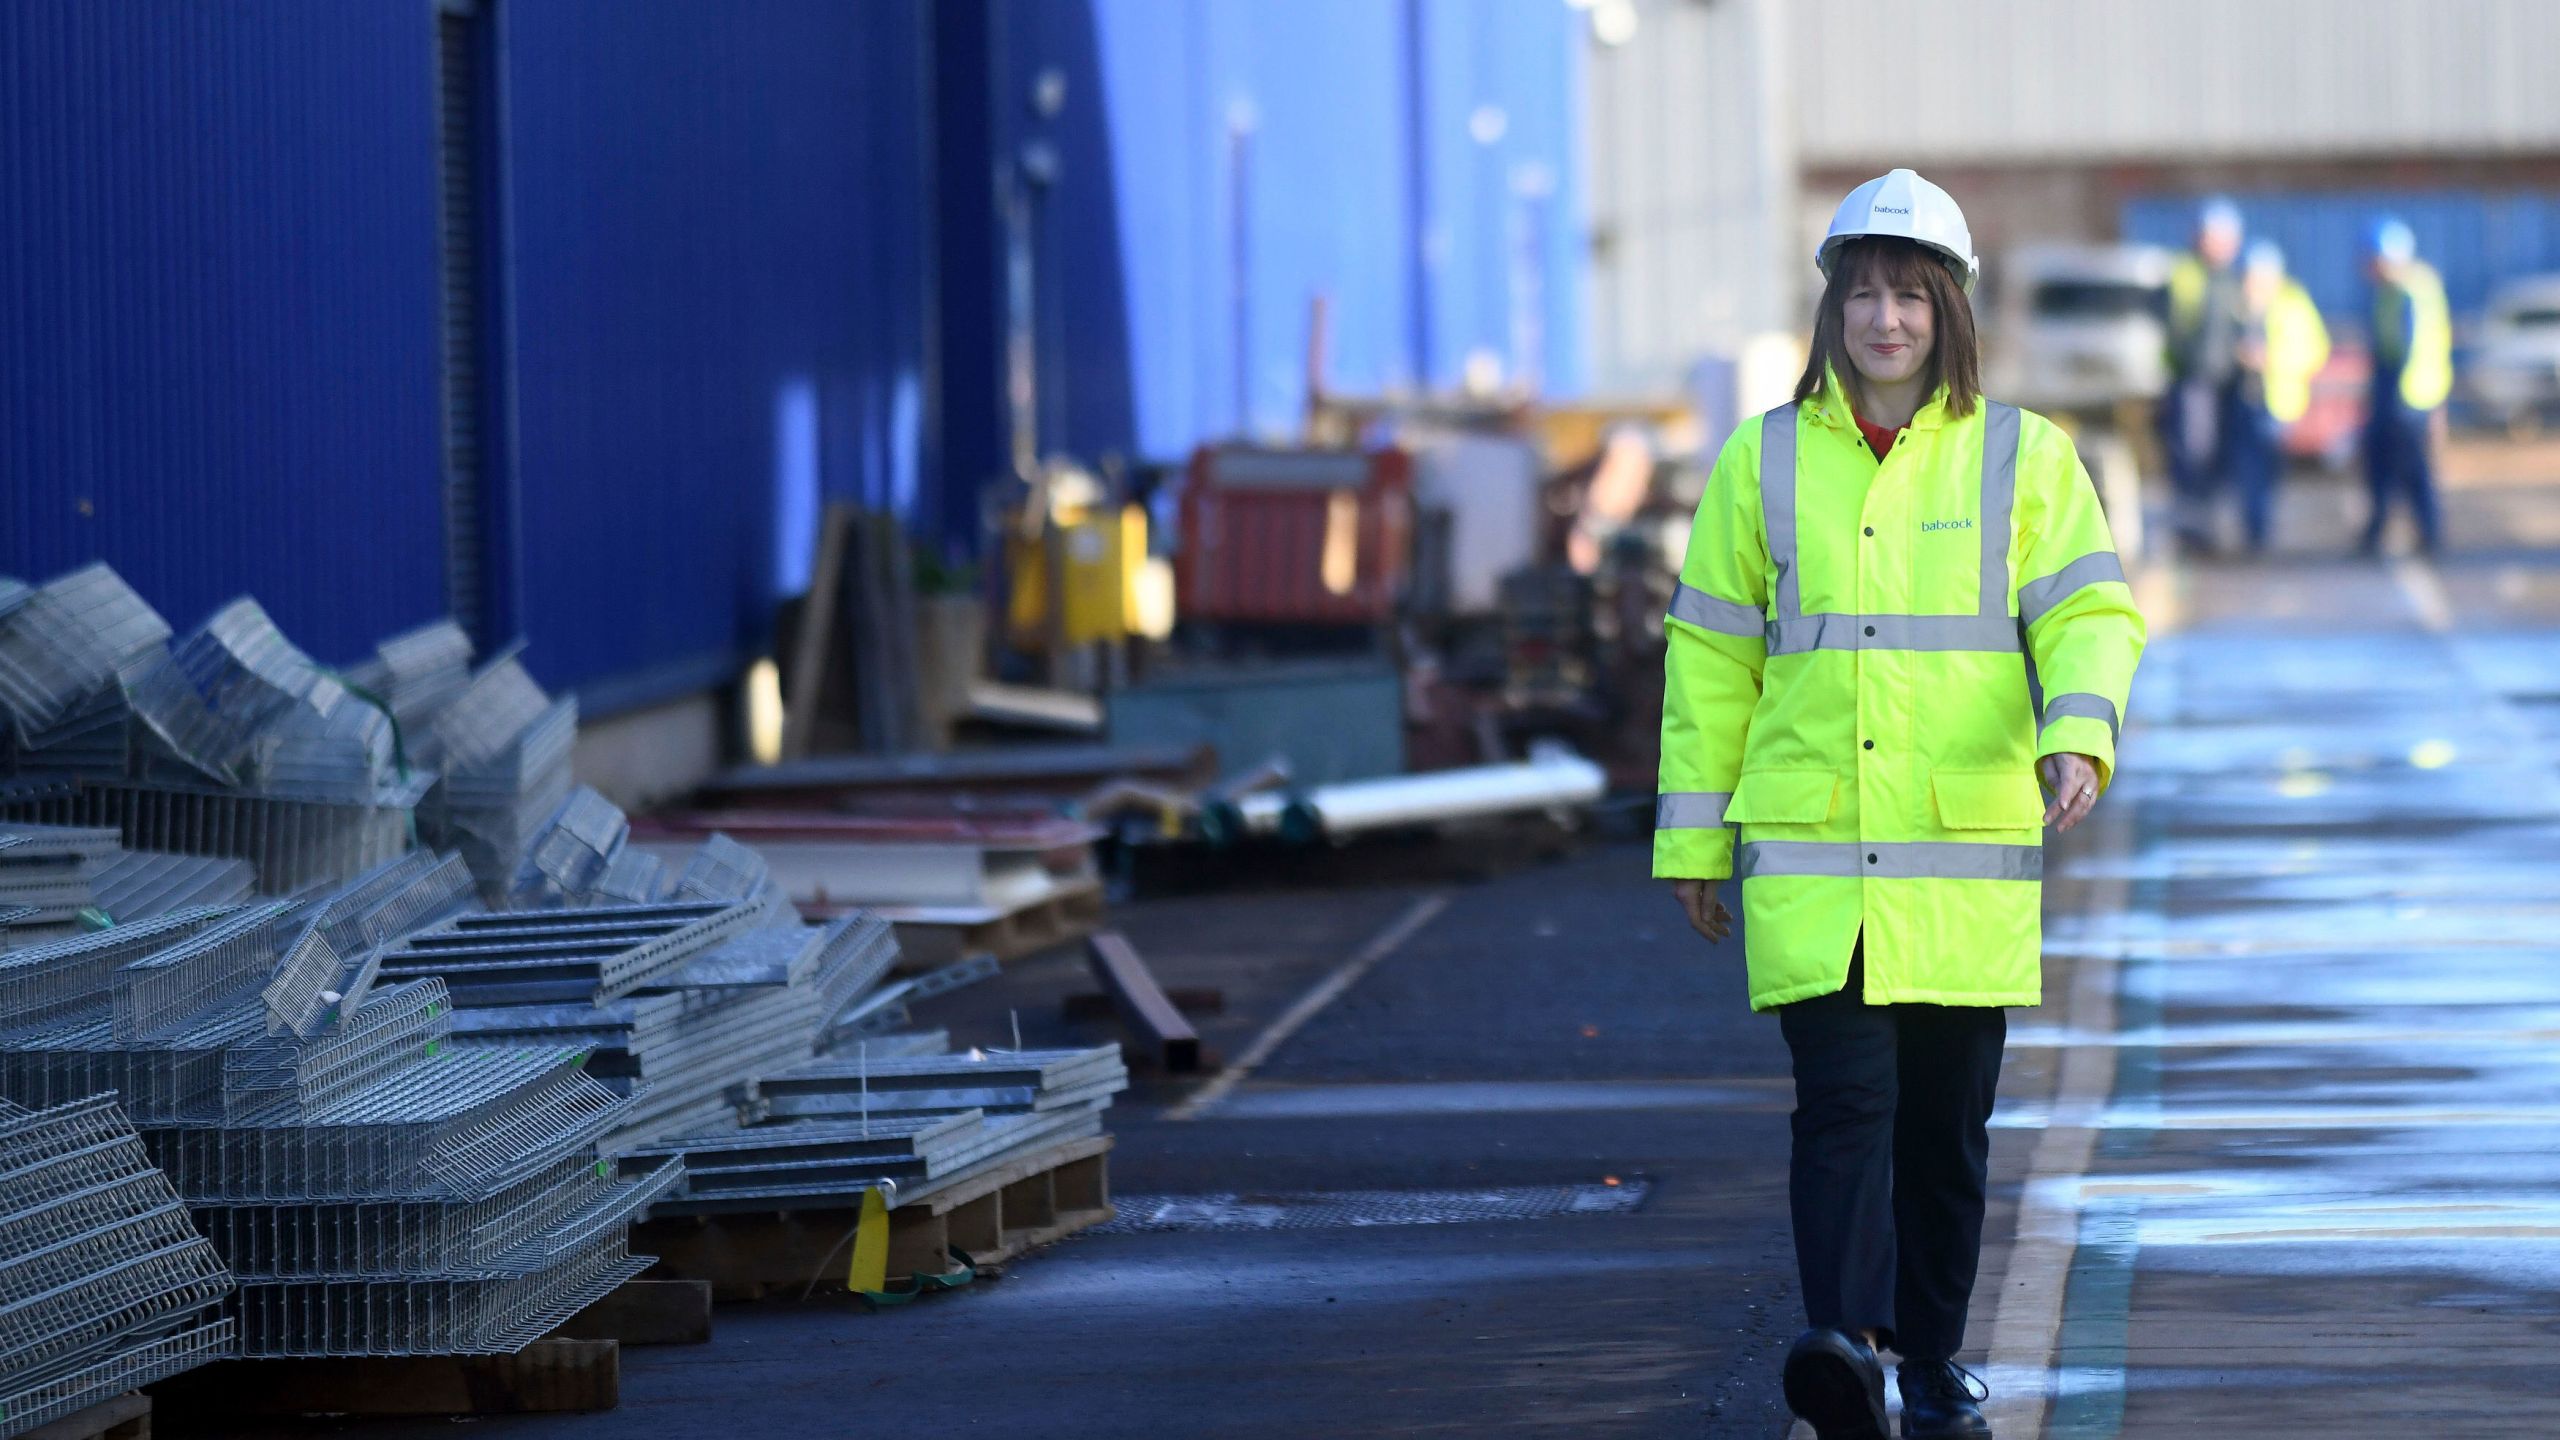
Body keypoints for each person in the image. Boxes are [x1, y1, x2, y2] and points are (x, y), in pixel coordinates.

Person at [1655, 168, 2146, 1440]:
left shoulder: (2022, 457)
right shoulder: (1760, 461)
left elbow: (2092, 612)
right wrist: (1693, 841)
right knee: (1842, 1111)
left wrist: (2078, 734)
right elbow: (1712, 662)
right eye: (1862, 293)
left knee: (1943, 1132)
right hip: (1813, 855)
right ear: (1830, 307)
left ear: (1949, 309)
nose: (1884, 319)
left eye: (1908, 296)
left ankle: (1929, 1356)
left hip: (1961, 861)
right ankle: (1844, 1348)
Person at [2161, 197, 2251, 555]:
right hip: (2194, 383)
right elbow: (2175, 331)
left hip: (2229, 386)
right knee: (2192, 455)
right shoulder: (2187, 274)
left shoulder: (2235, 279)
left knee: (2220, 460)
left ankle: (2212, 529)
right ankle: (2192, 532)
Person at [2359, 217, 2453, 556]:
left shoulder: (2411, 289)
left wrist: (2405, 397)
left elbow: (2415, 348)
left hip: (2410, 394)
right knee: (2378, 464)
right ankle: (2377, 531)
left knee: (2413, 469)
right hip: (2393, 389)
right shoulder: (2388, 291)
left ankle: (2430, 532)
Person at [2232, 240, 2331, 553]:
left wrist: (2270, 359)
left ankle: (2259, 532)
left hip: (2276, 403)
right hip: (2244, 401)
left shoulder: (2293, 305)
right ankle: (2253, 530)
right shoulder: (2239, 305)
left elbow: (2315, 352)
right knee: (2247, 470)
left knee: (2264, 469)